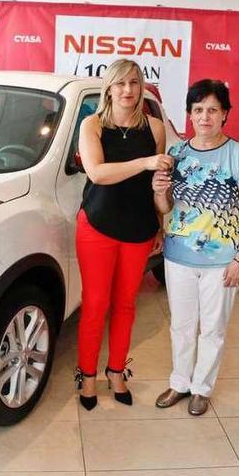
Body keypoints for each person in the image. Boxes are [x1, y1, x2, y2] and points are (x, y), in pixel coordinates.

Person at [151, 79, 239, 416]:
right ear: (189, 114)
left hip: (222, 260)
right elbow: (167, 208)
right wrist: (158, 190)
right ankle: (180, 382)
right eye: (198, 110)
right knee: (182, 325)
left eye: (212, 109)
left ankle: (202, 388)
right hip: (179, 256)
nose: (204, 116)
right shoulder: (176, 154)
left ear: (225, 113)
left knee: (212, 328)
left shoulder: (238, 154)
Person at [75, 58, 171, 410]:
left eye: (133, 82)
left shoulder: (155, 129)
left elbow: (155, 185)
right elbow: (97, 173)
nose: (128, 90)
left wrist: (159, 224)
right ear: (109, 88)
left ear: (141, 86)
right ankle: (86, 376)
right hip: (97, 225)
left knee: (126, 305)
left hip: (139, 227)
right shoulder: (92, 125)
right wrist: (144, 163)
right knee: (96, 304)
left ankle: (116, 371)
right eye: (120, 84)